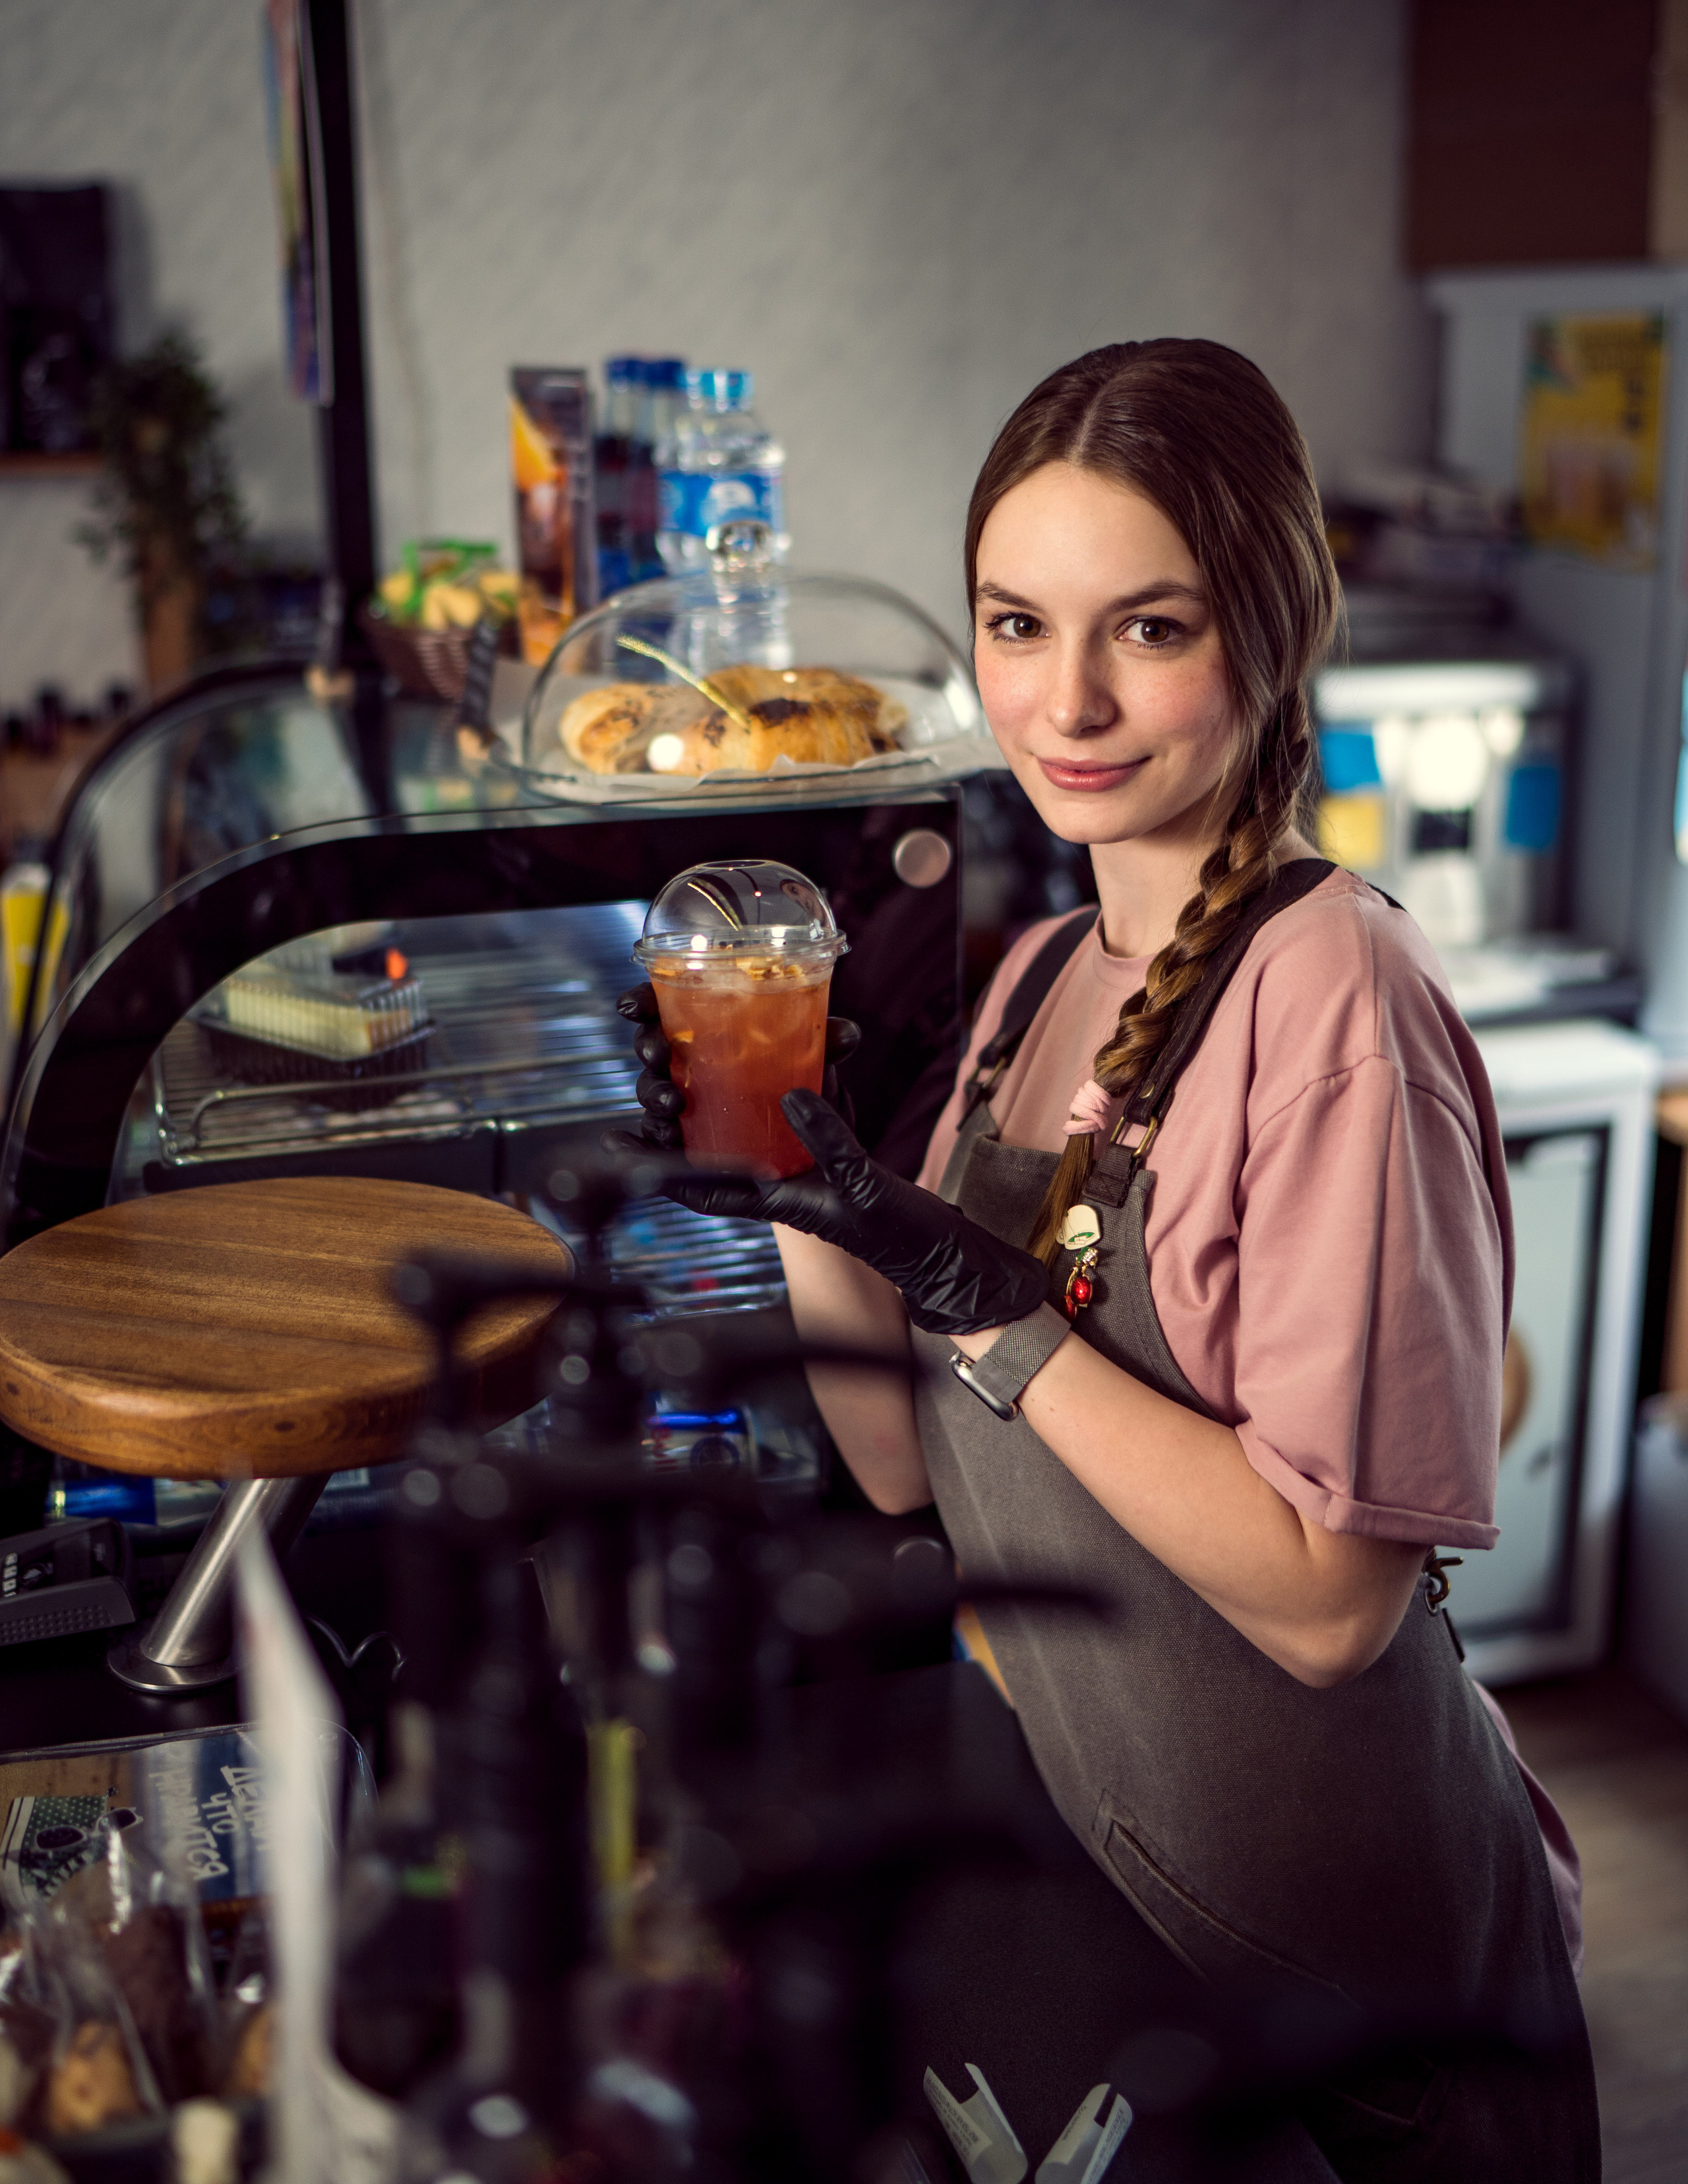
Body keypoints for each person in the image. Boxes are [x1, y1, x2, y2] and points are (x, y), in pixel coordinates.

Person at [618, 340, 1598, 2179]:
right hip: (1143, 1901)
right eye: (1016, 621)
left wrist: (1002, 1320)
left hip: (1366, 2001)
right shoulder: (1036, 982)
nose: (1062, 699)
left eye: (1147, 628)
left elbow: (1330, 1599)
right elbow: (911, 1463)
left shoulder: (1336, 1002)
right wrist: (776, 1177)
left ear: (1272, 627)